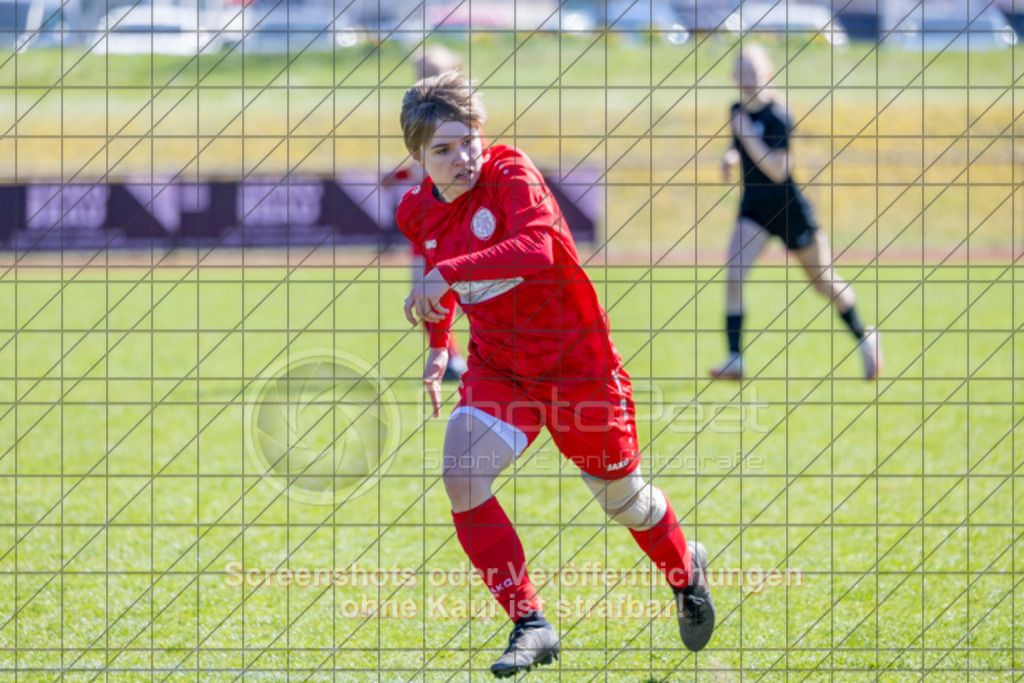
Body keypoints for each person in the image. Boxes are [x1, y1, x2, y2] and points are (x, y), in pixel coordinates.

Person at [397, 71, 716, 677]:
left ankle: (685, 568)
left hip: (578, 369)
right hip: (500, 368)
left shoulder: (510, 173)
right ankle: (531, 624)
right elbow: (441, 276)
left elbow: (537, 246)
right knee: (462, 478)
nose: (462, 156)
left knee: (623, 503)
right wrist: (439, 345)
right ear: (417, 157)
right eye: (443, 149)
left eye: (468, 140)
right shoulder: (415, 211)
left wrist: (446, 275)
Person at [713, 43, 882, 381]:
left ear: (768, 75)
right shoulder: (737, 111)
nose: (748, 80)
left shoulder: (778, 116)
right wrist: (732, 155)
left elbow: (778, 169)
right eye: (742, 73)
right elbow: (740, 143)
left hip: (790, 210)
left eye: (754, 73)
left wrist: (745, 138)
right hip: (755, 210)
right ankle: (735, 358)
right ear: (733, 77)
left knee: (823, 282)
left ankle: (866, 338)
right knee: (734, 274)